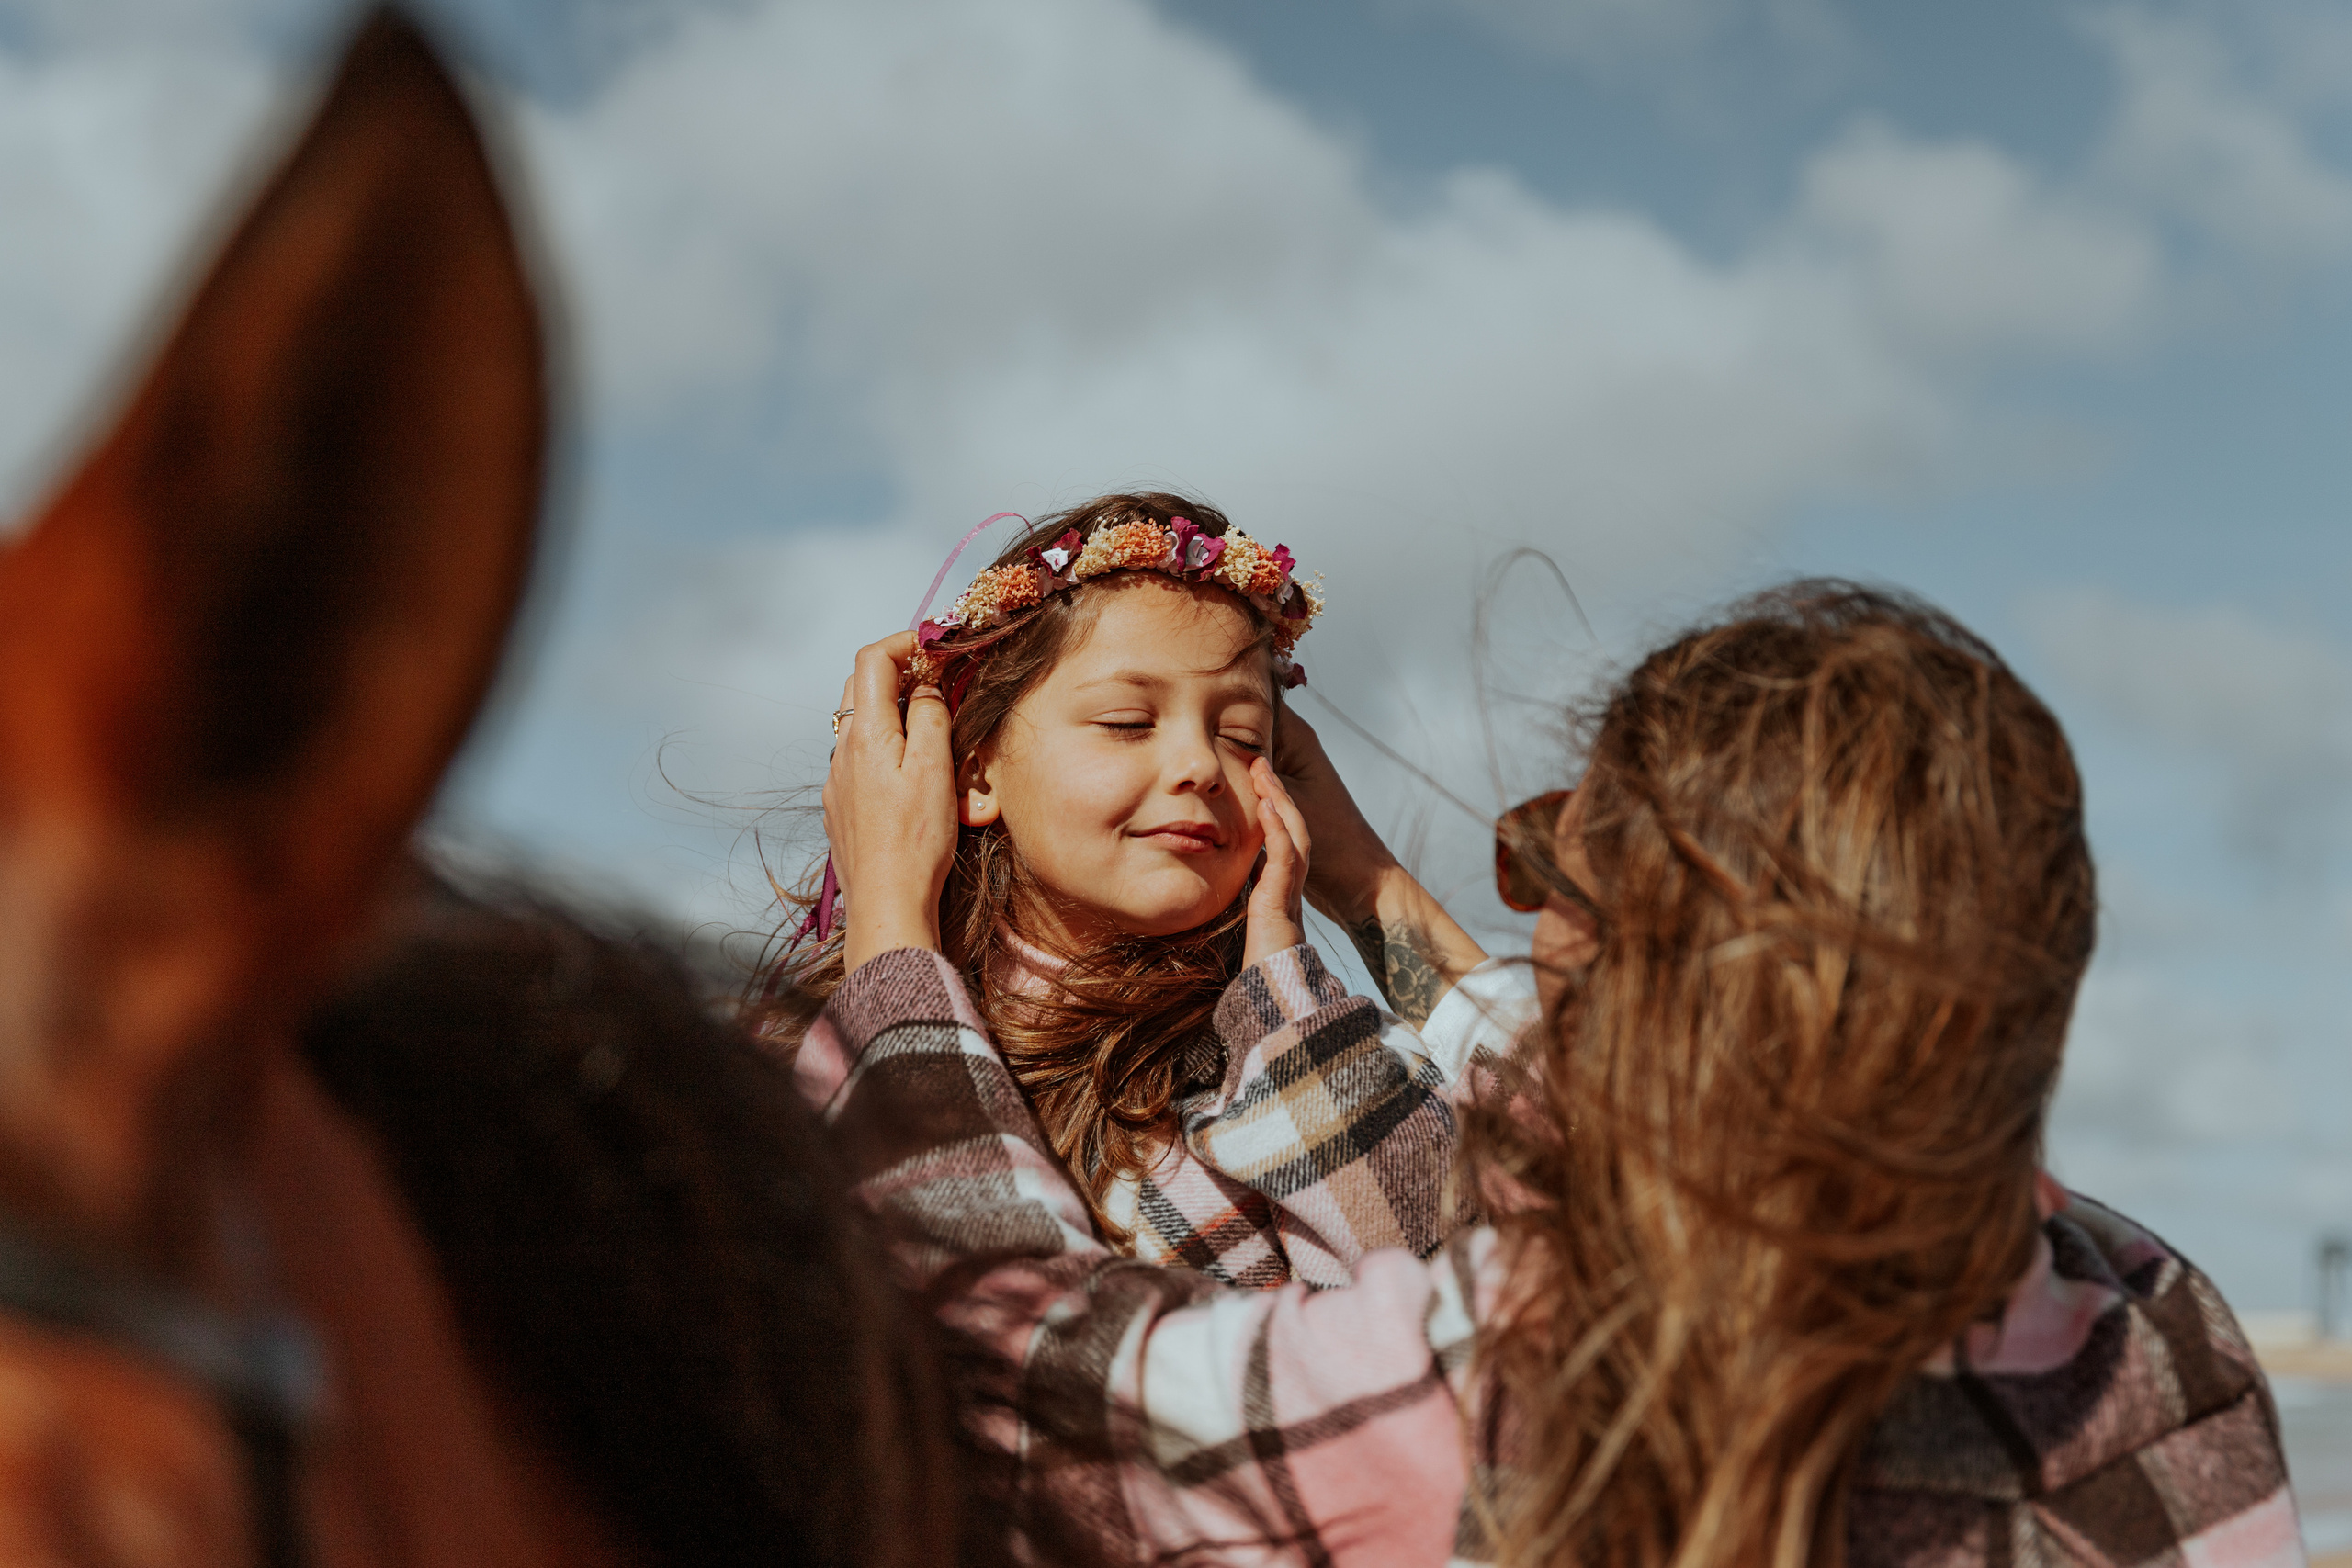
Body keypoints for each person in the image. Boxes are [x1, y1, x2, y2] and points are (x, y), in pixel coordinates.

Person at [800, 581, 2299, 1568]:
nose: (1526, 923)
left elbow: (1036, 1365)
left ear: (1648, 965)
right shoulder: (2154, 1311)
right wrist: (1371, 895)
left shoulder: (1524, 1371)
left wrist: (890, 940)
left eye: (1553, 871)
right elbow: (1652, 1109)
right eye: (1127, 720)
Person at [759, 493, 1534, 1286]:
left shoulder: (1327, 1055)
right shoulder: (780, 1082)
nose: (1201, 765)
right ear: (974, 771)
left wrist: (1355, 890)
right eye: (1128, 721)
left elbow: (1537, 1234)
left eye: (1243, 737)